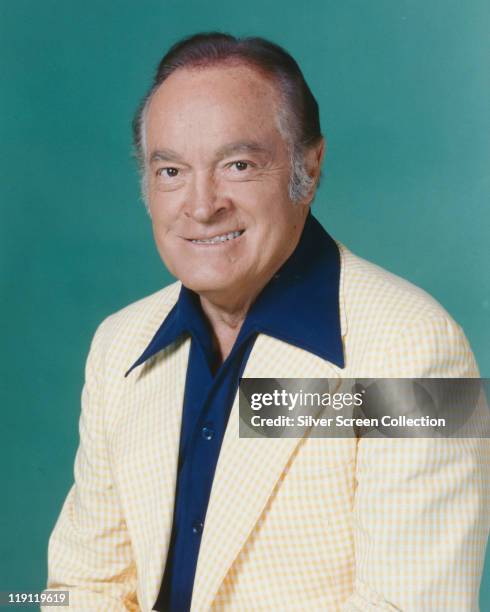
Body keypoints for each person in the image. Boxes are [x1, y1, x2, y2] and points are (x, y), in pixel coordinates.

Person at [44, 33, 489, 611]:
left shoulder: (418, 350)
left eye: (238, 164)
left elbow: (406, 606)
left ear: (309, 167)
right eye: (172, 171)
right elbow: (79, 587)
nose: (202, 205)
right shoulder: (119, 344)